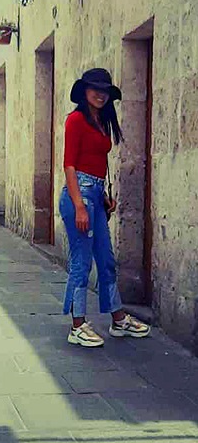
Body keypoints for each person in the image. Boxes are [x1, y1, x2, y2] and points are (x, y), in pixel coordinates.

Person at [59, 68, 150, 347]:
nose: (100, 94)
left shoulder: (101, 121)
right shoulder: (75, 120)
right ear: (84, 91)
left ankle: (118, 319)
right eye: (94, 88)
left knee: (107, 260)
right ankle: (77, 325)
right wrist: (79, 205)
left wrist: (103, 196)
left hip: (96, 195)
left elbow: (97, 161)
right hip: (80, 197)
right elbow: (69, 165)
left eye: (105, 90)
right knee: (82, 262)